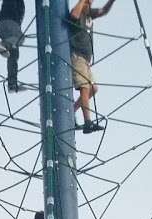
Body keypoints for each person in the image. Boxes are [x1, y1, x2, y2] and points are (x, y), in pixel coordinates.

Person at [68, 0, 115, 134]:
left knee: (93, 89)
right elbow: (73, 15)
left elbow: (103, 11)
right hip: (77, 56)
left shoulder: (89, 15)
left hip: (85, 59)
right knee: (85, 87)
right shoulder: (79, 13)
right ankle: (88, 121)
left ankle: (72, 110)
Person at [0, 0, 27, 93]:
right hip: (9, 22)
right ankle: (3, 45)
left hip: (2, 25)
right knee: (20, 38)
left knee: (13, 55)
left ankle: (12, 84)